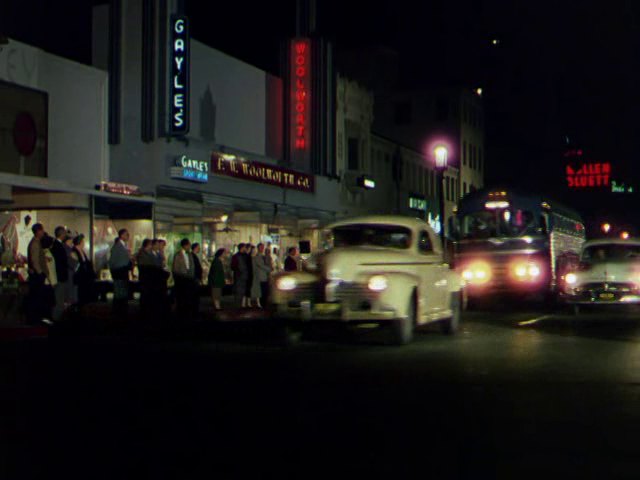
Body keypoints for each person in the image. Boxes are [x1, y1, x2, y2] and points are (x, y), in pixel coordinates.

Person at [26, 223, 48, 324]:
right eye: (42, 230)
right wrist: (40, 273)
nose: (43, 232)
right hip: (37, 275)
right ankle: (35, 318)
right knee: (36, 297)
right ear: (38, 231)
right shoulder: (35, 243)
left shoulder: (36, 242)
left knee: (36, 296)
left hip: (36, 274)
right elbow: (34, 260)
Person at [109, 229, 133, 318]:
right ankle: (118, 311)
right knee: (119, 292)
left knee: (122, 292)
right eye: (127, 234)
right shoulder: (117, 246)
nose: (128, 236)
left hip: (122, 271)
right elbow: (112, 261)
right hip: (119, 272)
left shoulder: (123, 246)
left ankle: (121, 310)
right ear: (122, 235)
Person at [172, 238, 196, 320]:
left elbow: (192, 265)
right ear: (185, 245)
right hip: (181, 278)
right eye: (189, 245)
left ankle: (188, 310)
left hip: (189, 278)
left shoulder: (190, 254)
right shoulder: (178, 255)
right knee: (181, 295)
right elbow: (175, 268)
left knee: (188, 295)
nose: (189, 246)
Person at [71, 234, 96, 306]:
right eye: (83, 241)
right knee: (80, 294)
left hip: (86, 277)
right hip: (80, 277)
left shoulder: (82, 251)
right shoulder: (74, 251)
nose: (84, 243)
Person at [51, 226, 70, 321]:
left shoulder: (56, 245)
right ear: (61, 234)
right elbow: (60, 262)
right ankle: (57, 319)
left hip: (60, 276)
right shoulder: (58, 246)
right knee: (59, 300)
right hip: (60, 277)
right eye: (65, 233)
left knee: (60, 299)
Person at [136, 239, 156, 320]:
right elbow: (145, 265)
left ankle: (146, 311)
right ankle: (144, 312)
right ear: (147, 245)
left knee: (147, 295)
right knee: (145, 294)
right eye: (151, 244)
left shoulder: (147, 254)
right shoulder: (143, 254)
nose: (152, 246)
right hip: (145, 277)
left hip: (147, 277)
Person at [41, 234, 57, 322]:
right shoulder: (46, 254)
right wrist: (51, 280)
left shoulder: (46, 253)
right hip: (48, 281)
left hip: (49, 280)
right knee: (48, 301)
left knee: (49, 301)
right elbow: (48, 268)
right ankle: (47, 317)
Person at [64, 234, 78, 307]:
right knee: (70, 291)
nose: (72, 243)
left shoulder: (69, 249)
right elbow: (72, 261)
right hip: (69, 272)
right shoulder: (67, 249)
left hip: (70, 272)